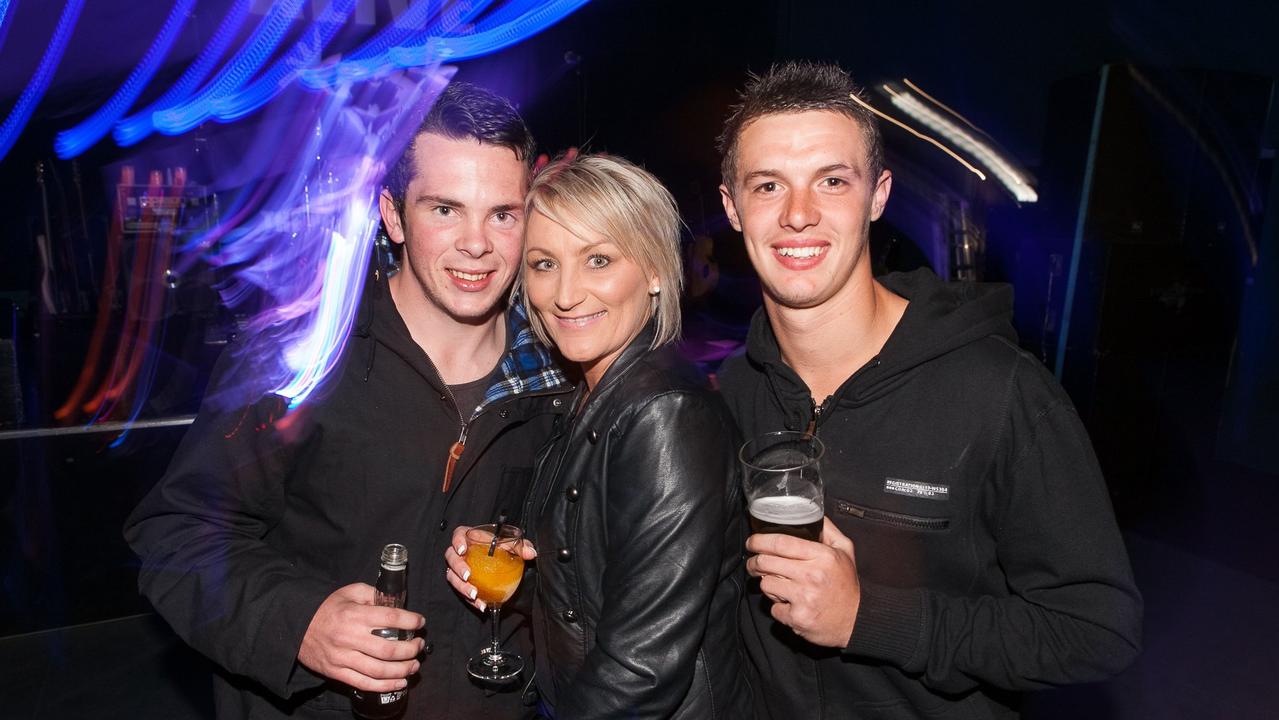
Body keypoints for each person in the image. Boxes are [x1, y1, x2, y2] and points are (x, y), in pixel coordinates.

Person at [124, 82, 571, 719]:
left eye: (503, 213)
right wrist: (299, 622)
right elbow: (176, 533)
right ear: (392, 215)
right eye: (444, 209)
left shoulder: (557, 372)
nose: (477, 243)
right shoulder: (297, 355)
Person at [715, 61, 1143, 718]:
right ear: (732, 207)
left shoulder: (999, 393)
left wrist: (868, 618)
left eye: (831, 181)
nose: (798, 214)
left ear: (878, 195)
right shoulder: (734, 389)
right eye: (767, 185)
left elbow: (1095, 631)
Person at [446, 154, 752, 719]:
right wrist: (523, 573)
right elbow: (597, 588)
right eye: (543, 264)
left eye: (599, 260)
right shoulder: (585, 394)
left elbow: (642, 669)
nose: (565, 294)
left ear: (656, 270)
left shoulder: (666, 413)